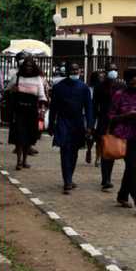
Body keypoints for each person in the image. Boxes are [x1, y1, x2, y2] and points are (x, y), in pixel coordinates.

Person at [109, 67, 136, 217]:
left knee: (130, 168)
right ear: (126, 82)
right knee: (133, 168)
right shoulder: (119, 95)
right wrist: (127, 115)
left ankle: (122, 195)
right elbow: (111, 116)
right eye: (132, 83)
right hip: (125, 137)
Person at [49, 63, 94, 194]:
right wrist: (51, 124)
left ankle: (69, 177)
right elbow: (53, 108)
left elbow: (89, 108)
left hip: (78, 123)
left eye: (76, 69)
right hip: (63, 122)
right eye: (72, 69)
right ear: (67, 71)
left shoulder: (84, 88)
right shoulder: (58, 87)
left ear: (79, 71)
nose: (75, 71)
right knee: (65, 151)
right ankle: (67, 180)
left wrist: (90, 125)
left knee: (74, 151)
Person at [8, 57, 47, 170]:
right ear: (23, 66)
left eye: (30, 66)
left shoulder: (38, 78)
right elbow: (8, 90)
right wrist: (13, 90)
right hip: (19, 111)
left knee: (28, 137)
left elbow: (41, 95)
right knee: (19, 137)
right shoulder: (17, 77)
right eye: (26, 65)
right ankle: (18, 161)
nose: (28, 68)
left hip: (32, 112)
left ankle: (25, 160)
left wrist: (42, 109)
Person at [93, 63, 123, 190]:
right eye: (111, 69)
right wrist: (92, 123)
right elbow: (95, 105)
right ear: (105, 72)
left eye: (115, 69)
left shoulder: (121, 86)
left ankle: (107, 177)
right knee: (105, 148)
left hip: (117, 122)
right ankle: (105, 179)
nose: (113, 71)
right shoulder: (99, 87)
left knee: (112, 149)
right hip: (104, 121)